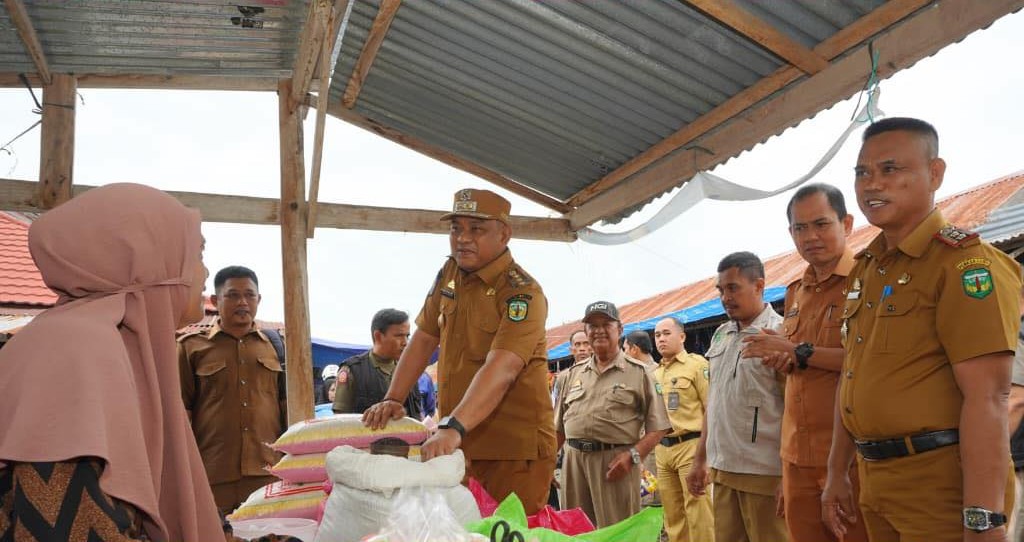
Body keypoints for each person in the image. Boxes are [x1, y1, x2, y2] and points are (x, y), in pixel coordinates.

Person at [823, 117, 1021, 541]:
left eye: (890, 169)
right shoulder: (867, 269)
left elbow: (989, 397)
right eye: (862, 172)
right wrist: (836, 471)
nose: (872, 184)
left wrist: (983, 519)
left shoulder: (965, 265)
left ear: (935, 173)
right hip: (875, 479)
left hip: (941, 484)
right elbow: (851, 377)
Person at [0, 184, 224, 541]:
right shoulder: (76, 353)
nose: (204, 271)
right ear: (148, 258)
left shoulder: (107, 341)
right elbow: (66, 522)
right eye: (195, 254)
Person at [362, 188, 556, 515]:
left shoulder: (522, 293)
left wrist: (454, 426)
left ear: (504, 234)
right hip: (459, 444)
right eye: (456, 229)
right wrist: (393, 398)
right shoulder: (450, 274)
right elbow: (424, 336)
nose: (462, 238)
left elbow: (503, 366)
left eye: (476, 229)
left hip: (512, 450)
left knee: (509, 535)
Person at [739, 183, 869, 542]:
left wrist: (799, 352)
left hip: (849, 457)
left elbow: (868, 361)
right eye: (800, 228)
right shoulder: (797, 291)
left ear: (846, 223)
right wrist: (787, 359)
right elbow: (801, 364)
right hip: (797, 456)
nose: (810, 236)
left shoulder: (868, 281)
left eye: (821, 224)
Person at [687, 251, 790, 542]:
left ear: (759, 286)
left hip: (764, 474)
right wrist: (700, 460)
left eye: (733, 288)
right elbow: (715, 402)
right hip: (723, 470)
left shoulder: (781, 333)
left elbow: (795, 410)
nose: (725, 297)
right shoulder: (722, 334)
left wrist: (789, 475)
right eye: (721, 289)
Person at [178, 265, 287, 514]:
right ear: (216, 300)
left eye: (249, 295)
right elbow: (180, 411)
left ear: (259, 299)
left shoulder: (277, 347)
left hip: (267, 474)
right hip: (211, 475)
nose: (243, 302)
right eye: (233, 295)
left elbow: (286, 408)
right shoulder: (190, 348)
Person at [554, 301, 671, 527]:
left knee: (618, 531)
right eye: (592, 325)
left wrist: (633, 456)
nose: (598, 330)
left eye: (605, 324)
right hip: (574, 463)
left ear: (619, 329)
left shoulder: (639, 373)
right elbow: (558, 428)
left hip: (615, 464)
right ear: (585, 331)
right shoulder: (571, 375)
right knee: (577, 530)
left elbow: (659, 425)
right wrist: (548, 464)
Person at [652, 317, 714, 542]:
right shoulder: (655, 373)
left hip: (691, 446)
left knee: (699, 512)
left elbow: (711, 408)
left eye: (666, 333)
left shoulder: (697, 365)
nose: (661, 339)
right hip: (663, 450)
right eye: (657, 335)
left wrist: (705, 457)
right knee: (673, 515)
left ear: (682, 336)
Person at [332, 308, 423, 418]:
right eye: (399, 336)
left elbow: (417, 414)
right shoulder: (353, 370)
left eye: (407, 336)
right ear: (378, 336)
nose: (405, 342)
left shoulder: (409, 371)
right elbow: (341, 419)